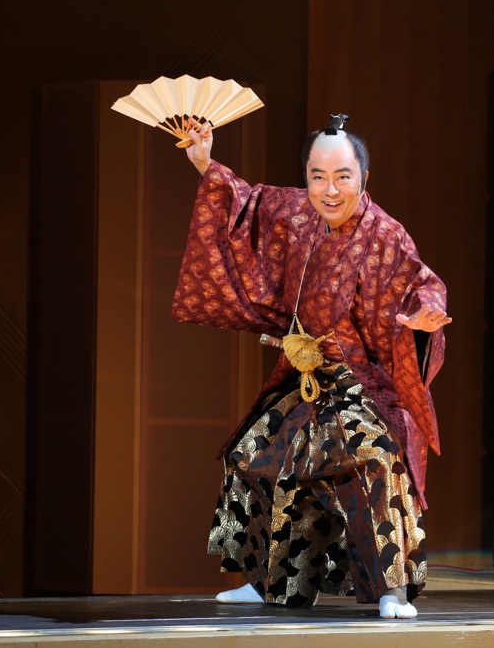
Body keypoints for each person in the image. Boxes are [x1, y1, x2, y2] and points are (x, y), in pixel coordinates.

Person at [172, 114, 450, 619]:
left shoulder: (386, 235)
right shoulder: (295, 211)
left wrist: (423, 320)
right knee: (255, 456)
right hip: (305, 377)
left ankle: (391, 589)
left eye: (342, 175)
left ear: (364, 175)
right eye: (318, 175)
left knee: (374, 459)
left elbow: (422, 284)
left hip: (361, 383)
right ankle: (272, 585)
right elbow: (246, 203)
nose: (329, 189)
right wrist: (203, 161)